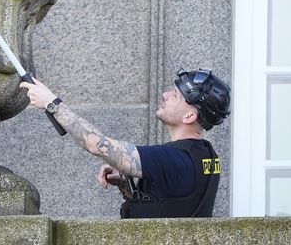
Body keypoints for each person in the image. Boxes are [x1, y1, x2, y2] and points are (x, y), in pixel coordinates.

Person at [20, 68, 231, 218]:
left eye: (175, 96)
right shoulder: (204, 155)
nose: (166, 95)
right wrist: (124, 183)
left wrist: (52, 103)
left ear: (189, 117)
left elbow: (96, 144)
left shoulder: (176, 159)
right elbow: (172, 202)